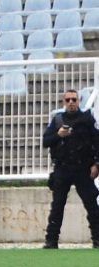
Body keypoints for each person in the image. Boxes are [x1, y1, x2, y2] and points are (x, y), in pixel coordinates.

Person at [41, 89, 99, 249]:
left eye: (74, 99)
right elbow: (46, 141)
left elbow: (97, 141)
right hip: (63, 168)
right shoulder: (58, 120)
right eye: (68, 100)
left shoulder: (87, 119)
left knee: (92, 205)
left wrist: (97, 164)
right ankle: (51, 240)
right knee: (57, 206)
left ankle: (97, 238)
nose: (71, 102)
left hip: (83, 168)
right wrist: (58, 135)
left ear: (79, 101)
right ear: (64, 102)